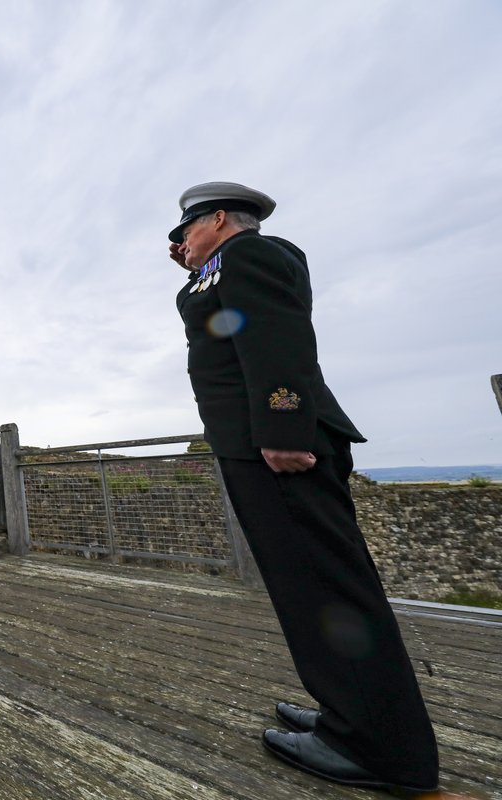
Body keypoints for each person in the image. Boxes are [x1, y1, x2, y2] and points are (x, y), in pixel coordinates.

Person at [168, 182, 439, 794]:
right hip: (257, 447)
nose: (179, 244)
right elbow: (217, 318)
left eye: (184, 231)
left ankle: (378, 749)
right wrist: (193, 266)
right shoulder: (222, 267)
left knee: (326, 588)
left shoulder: (255, 255)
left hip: (279, 448)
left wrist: (283, 427)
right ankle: (350, 714)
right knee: (307, 589)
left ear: (217, 218)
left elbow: (276, 339)